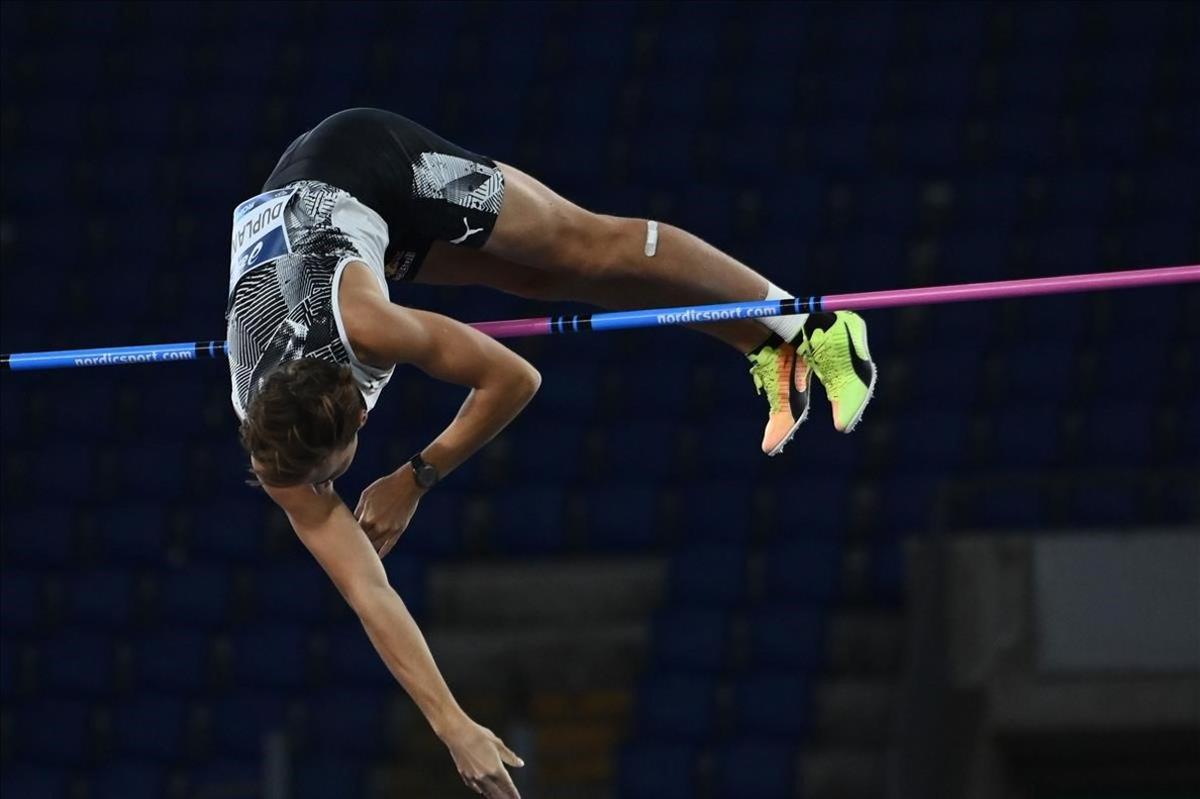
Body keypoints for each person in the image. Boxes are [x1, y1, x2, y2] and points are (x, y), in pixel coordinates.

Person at [226, 108, 876, 798]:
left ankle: (820, 328)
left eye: (338, 469)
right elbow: (367, 590)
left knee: (582, 244)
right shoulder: (278, 451)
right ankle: (764, 349)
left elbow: (512, 376)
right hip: (316, 220)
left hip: (368, 161)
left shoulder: (372, 324)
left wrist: (417, 475)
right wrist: (452, 725)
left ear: (356, 409)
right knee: (533, 280)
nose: (330, 487)